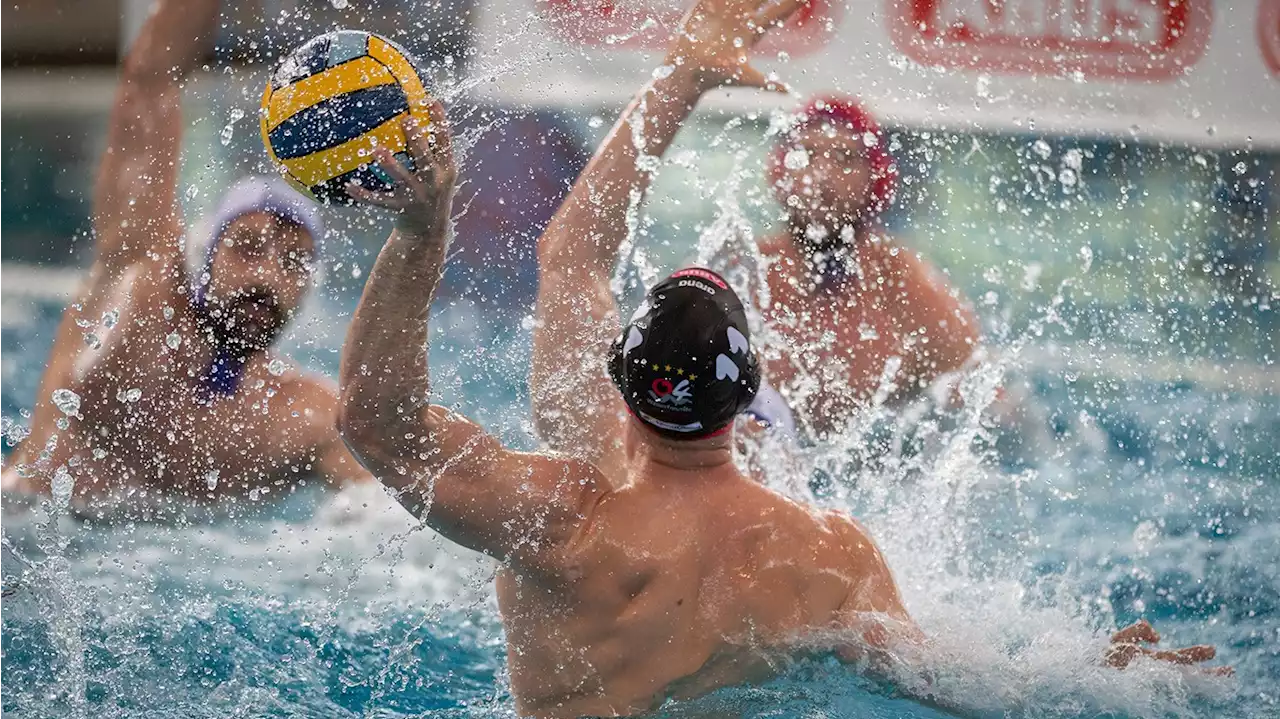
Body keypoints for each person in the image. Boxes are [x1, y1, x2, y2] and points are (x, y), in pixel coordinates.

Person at [337, 1, 1225, 716]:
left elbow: (402, 403)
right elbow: (955, 682)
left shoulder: (559, 521)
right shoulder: (822, 559)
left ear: (618, 385)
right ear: (754, 392)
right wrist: (1093, 683)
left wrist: (423, 233)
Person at [0, 0, 368, 508]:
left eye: (294, 261)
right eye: (247, 247)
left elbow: (400, 524)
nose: (267, 274)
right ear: (204, 256)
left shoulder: (304, 419)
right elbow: (149, 80)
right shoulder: (140, 285)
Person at [759, 95, 981, 437]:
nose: (822, 175)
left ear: (874, 178)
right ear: (781, 172)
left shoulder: (903, 281)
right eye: (806, 155)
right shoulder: (745, 270)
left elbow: (986, 392)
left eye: (845, 158)